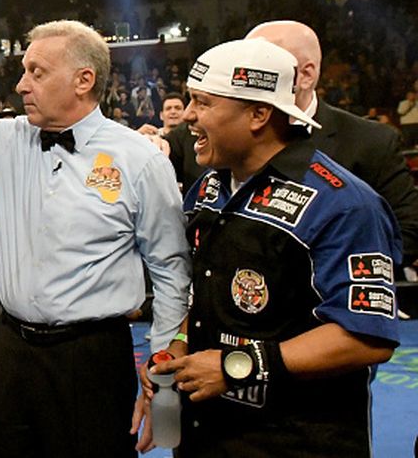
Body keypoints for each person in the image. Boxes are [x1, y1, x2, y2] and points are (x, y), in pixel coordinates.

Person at [0, 0, 191, 455]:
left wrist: (163, 366)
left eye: (37, 72)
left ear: (83, 80)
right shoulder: (5, 139)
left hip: (92, 358)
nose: (21, 85)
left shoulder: (141, 160)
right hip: (8, 350)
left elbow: (171, 271)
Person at [139, 39, 399, 456]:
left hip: (296, 442)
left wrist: (235, 367)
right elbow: (205, 294)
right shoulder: (208, 188)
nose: (187, 115)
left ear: (259, 114)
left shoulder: (344, 203)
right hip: (207, 435)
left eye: (203, 102)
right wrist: (179, 348)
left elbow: (368, 336)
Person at [245, 20, 418, 264]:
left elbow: (408, 231)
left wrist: (329, 269)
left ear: (306, 75)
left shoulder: (369, 141)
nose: (245, 77)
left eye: (261, 65)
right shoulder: (217, 138)